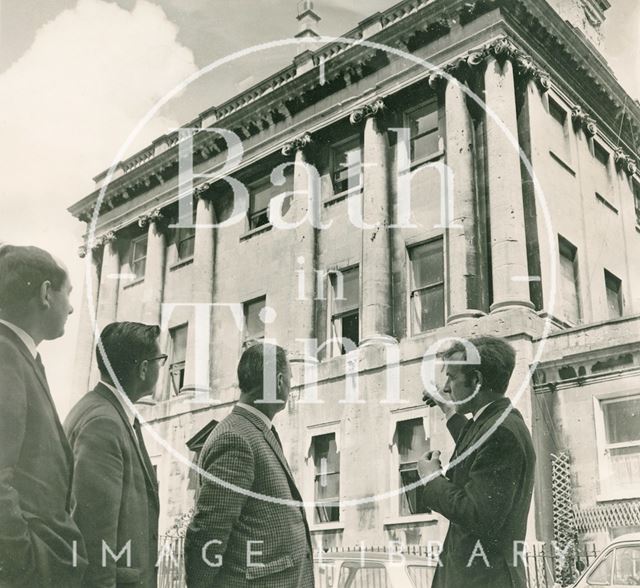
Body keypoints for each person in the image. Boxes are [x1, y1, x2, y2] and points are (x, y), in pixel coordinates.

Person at [184, 342, 314, 588]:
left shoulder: (254, 431)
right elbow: (207, 534)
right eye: (289, 377)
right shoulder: (236, 438)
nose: (290, 385)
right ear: (277, 381)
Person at [0, 244, 87, 586]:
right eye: (68, 293)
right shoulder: (6, 358)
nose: (71, 307)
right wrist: (26, 565)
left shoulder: (20, 356)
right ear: (46, 293)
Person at [418, 336, 536, 588]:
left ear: (477, 381)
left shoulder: (501, 433)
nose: (446, 387)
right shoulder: (496, 422)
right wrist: (448, 409)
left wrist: (431, 479)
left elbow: (477, 514)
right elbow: (473, 441)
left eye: (452, 377)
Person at [64, 322, 161, 587]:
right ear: (143, 368)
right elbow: (94, 536)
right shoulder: (103, 423)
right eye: (159, 360)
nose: (160, 367)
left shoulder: (103, 412)